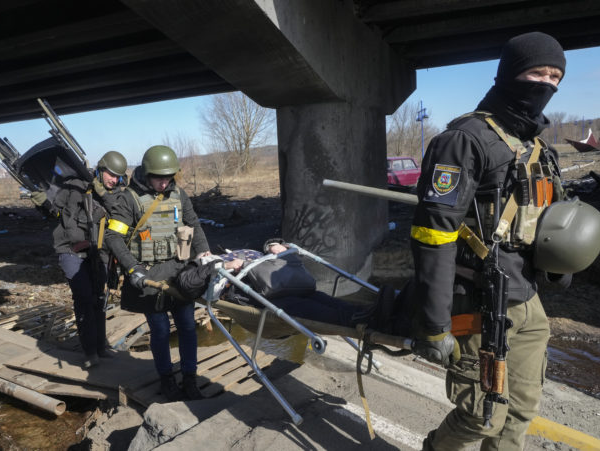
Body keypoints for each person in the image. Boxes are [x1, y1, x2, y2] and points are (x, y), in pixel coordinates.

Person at [408, 32, 569, 450]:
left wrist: (559, 265)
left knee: (520, 411)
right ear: (510, 74)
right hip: (478, 301)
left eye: (555, 76)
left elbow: (549, 219)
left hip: (528, 300)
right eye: (537, 72)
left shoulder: (536, 148)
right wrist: (434, 323)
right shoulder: (465, 140)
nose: (546, 84)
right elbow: (432, 236)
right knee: (481, 417)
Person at [105, 145, 211, 402]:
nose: (164, 183)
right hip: (150, 276)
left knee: (187, 326)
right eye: (159, 178)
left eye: (168, 178)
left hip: (178, 271)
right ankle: (167, 380)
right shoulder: (128, 199)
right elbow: (114, 237)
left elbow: (193, 223)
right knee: (161, 329)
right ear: (147, 173)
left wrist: (205, 253)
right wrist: (133, 269)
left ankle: (189, 378)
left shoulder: (179, 194)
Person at [33, 150, 128, 369]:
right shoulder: (74, 185)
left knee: (99, 299)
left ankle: (101, 347)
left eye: (118, 177)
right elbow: (54, 211)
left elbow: (119, 212)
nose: (114, 180)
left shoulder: (116, 195)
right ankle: (89, 352)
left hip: (99, 252)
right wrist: (41, 203)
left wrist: (102, 192)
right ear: (101, 170)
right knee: (84, 297)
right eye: (111, 175)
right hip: (71, 250)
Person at [175, 239, 375, 328]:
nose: (207, 252)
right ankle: (357, 319)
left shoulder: (230, 252)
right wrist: (223, 264)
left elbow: (265, 251)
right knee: (298, 306)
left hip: (279, 279)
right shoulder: (199, 267)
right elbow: (185, 283)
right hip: (253, 293)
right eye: (203, 253)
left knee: (317, 297)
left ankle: (369, 312)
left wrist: (273, 245)